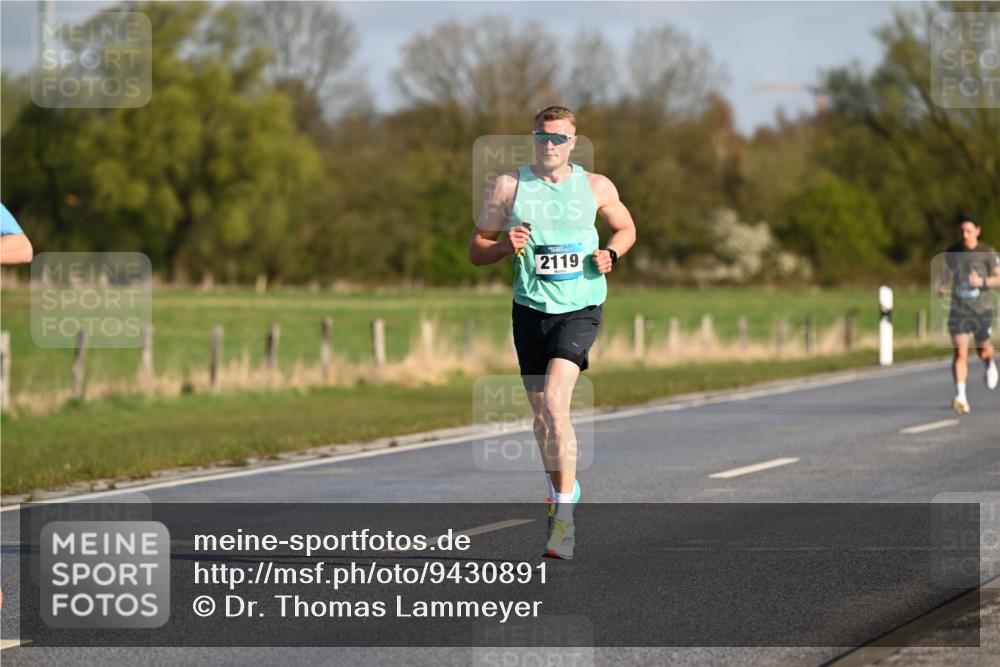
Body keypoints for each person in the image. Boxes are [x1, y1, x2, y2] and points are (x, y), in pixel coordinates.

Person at [468, 106, 636, 559]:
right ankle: (562, 487)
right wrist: (504, 246)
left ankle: (563, 521)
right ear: (534, 139)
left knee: (557, 405)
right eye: (542, 137)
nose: (549, 145)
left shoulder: (596, 186)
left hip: (580, 307)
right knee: (542, 416)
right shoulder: (509, 186)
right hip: (530, 310)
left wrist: (611, 254)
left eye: (558, 138)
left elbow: (625, 228)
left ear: (573, 143)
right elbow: (476, 250)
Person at [938, 214, 999, 414]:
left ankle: (989, 362)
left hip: (981, 309)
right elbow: (947, 275)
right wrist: (943, 286)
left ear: (977, 231)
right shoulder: (953, 252)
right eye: (962, 231)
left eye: (969, 231)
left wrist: (981, 282)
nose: (965, 234)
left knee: (983, 350)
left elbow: (999, 278)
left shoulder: (987, 252)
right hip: (959, 309)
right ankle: (961, 396)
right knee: (960, 352)